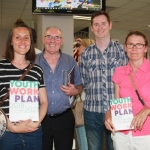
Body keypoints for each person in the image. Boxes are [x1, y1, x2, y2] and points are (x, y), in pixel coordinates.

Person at [79, 10, 128, 150]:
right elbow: (84, 81)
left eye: (103, 23)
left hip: (117, 111)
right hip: (92, 111)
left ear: (110, 25)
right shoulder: (86, 54)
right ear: (92, 28)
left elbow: (126, 83)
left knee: (116, 147)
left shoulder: (121, 51)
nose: (100, 27)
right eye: (96, 24)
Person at [0, 21, 48, 149]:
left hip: (33, 133)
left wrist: (36, 123)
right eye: (18, 37)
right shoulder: (0, 67)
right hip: (7, 134)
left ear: (31, 42)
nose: (23, 41)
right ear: (11, 41)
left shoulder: (37, 70)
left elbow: (44, 102)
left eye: (26, 38)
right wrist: (12, 127)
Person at [35, 26, 83, 150]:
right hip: (39, 118)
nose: (52, 41)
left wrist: (75, 90)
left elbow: (80, 85)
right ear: (43, 39)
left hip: (64, 119)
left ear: (62, 41)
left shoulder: (70, 61)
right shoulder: (33, 62)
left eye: (57, 38)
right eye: (49, 37)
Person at [105, 30, 150, 150]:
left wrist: (147, 111)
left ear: (145, 48)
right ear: (125, 48)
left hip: (146, 136)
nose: (134, 48)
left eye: (139, 45)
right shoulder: (119, 72)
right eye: (130, 44)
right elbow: (116, 104)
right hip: (122, 135)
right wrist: (108, 116)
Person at [74, 38, 94, 150]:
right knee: (83, 140)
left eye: (82, 54)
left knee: (85, 141)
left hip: (86, 108)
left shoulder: (88, 71)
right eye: (79, 54)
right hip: (80, 108)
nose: (80, 57)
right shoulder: (78, 68)